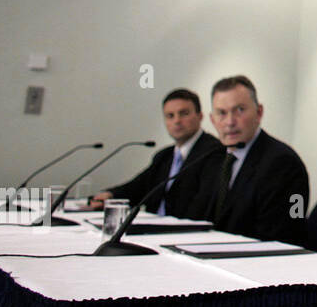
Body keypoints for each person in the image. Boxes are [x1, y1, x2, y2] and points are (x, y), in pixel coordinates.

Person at [190, 75, 309, 246]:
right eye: (222, 113)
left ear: (259, 112)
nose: (230, 122)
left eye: (239, 110)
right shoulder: (214, 159)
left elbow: (279, 237)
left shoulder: (282, 164)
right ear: (212, 120)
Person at [91, 88, 222, 218]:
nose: (176, 121)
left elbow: (204, 204)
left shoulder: (213, 152)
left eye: (184, 113)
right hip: (153, 230)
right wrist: (110, 195)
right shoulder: (164, 156)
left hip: (184, 232)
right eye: (170, 116)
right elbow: (138, 186)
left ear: (200, 116)